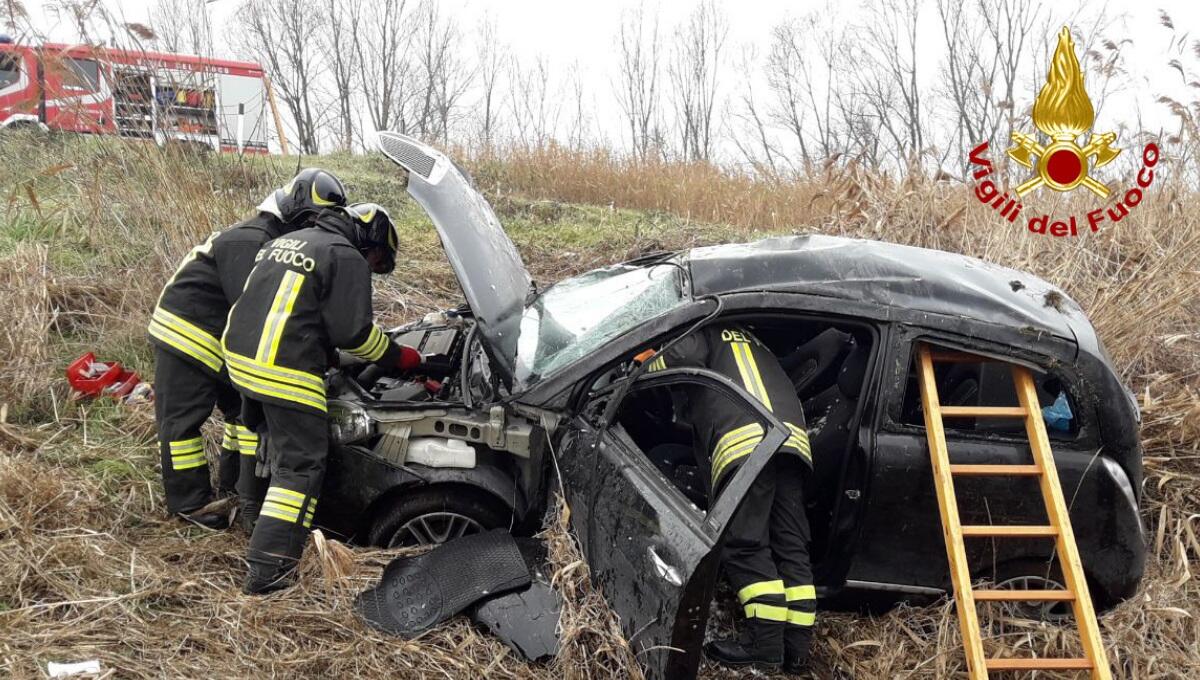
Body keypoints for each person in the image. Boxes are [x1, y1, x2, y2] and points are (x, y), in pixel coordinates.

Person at [223, 202, 426, 595]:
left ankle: (250, 516)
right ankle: (268, 576)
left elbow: (291, 309)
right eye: (377, 258)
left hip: (241, 359)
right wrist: (404, 358)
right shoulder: (345, 254)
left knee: (265, 439)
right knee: (300, 469)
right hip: (283, 370)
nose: (371, 265)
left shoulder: (290, 240)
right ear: (369, 237)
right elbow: (357, 335)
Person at [149, 168, 348, 529]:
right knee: (181, 426)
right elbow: (262, 306)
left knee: (243, 418)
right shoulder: (250, 240)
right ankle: (190, 505)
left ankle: (235, 489)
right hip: (186, 337)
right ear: (295, 213)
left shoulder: (272, 240)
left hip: (224, 342)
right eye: (312, 223)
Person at [643, 323, 815, 673]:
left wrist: (644, 364)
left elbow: (685, 355)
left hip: (747, 440)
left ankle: (764, 646)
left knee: (745, 542)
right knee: (789, 543)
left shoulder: (702, 327)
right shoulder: (749, 337)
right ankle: (796, 651)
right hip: (791, 442)